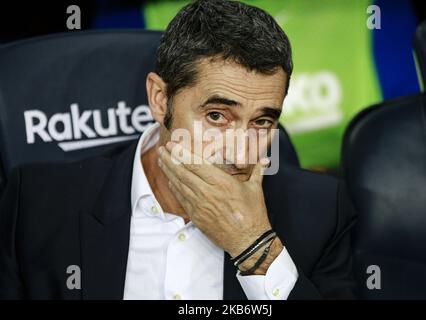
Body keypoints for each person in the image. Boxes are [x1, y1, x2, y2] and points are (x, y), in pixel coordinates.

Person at [0, 0, 356, 300]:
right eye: (217, 116)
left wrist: (254, 247)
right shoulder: (38, 203)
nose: (241, 152)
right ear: (159, 99)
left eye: (262, 122)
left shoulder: (322, 213)